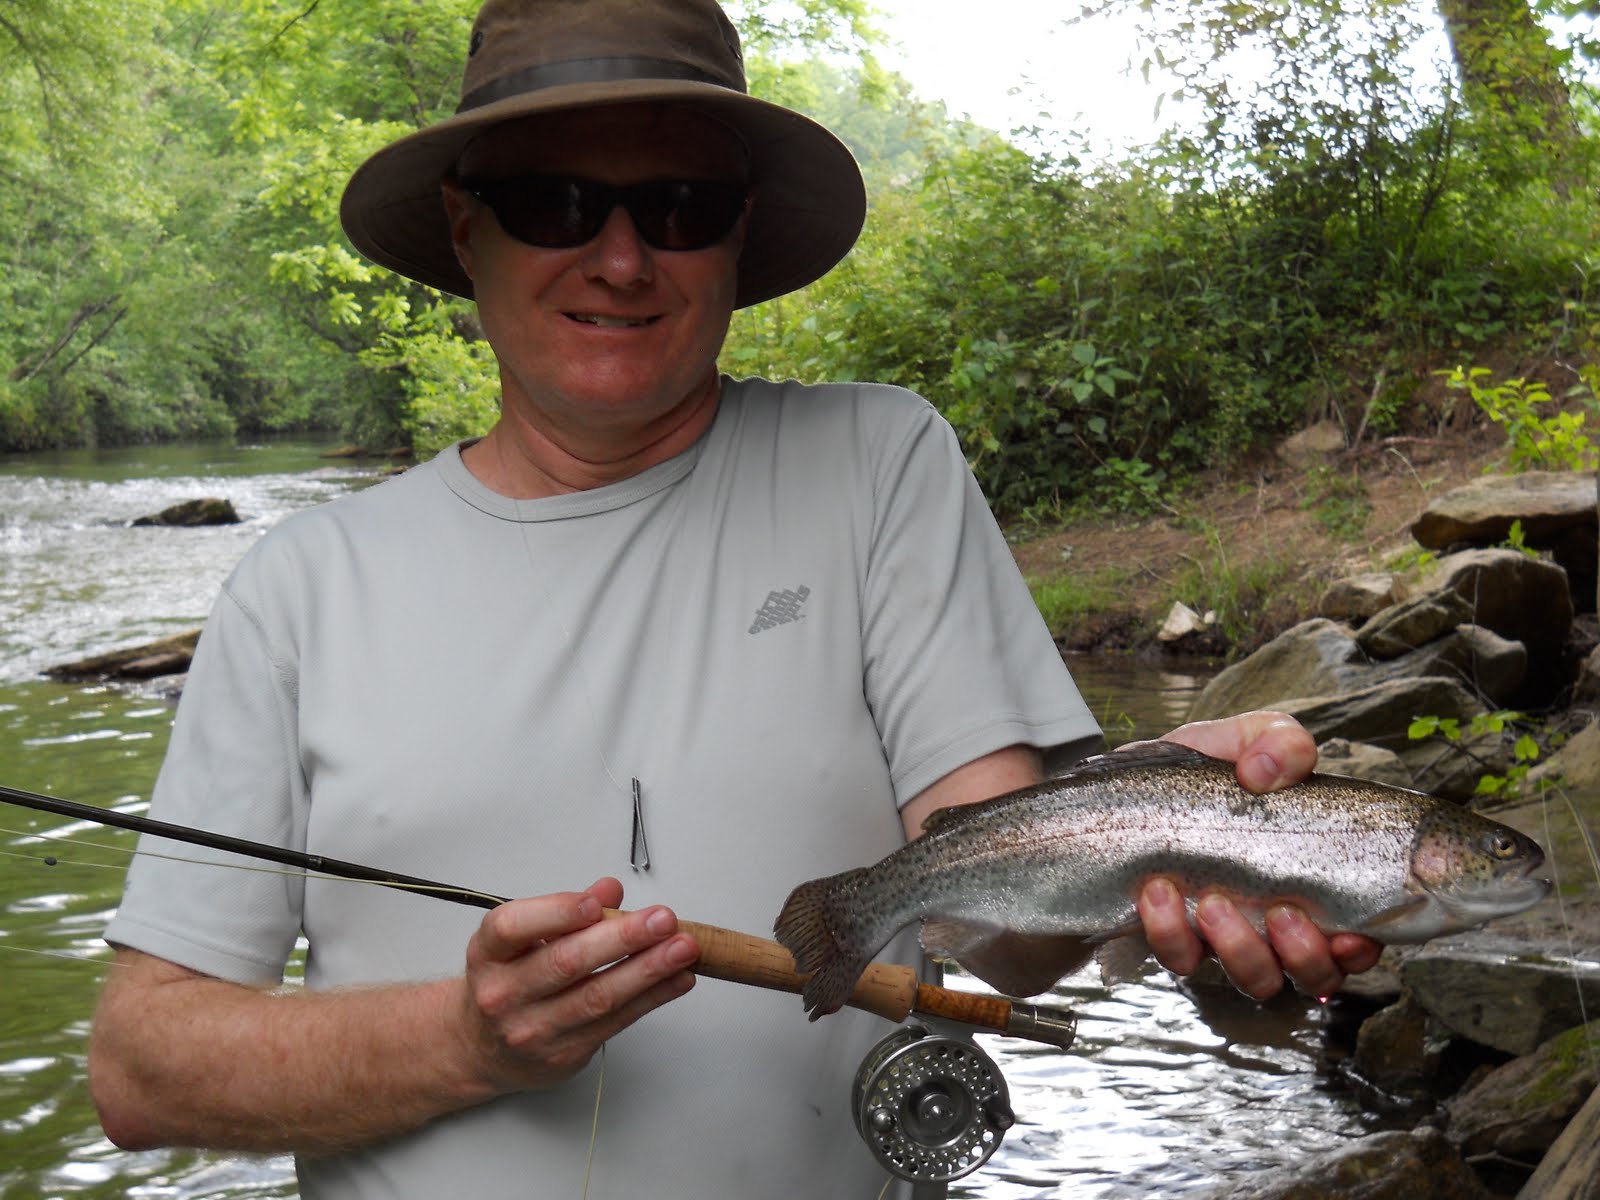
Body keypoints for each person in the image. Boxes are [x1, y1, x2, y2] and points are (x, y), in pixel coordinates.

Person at [87, 2, 1380, 1197]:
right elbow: (142, 1068)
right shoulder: (303, 587)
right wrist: (466, 1040)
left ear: (741, 231)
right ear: (465, 223)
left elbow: (996, 921)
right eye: (554, 202)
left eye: (682, 205)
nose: (621, 258)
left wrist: (1165, 835)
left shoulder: (877, 463)